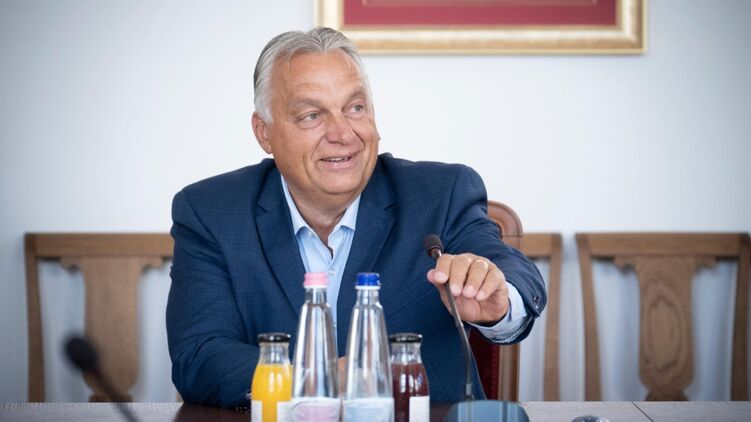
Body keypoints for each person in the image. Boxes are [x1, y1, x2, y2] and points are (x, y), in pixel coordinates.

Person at [166, 27, 546, 408]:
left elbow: (511, 270)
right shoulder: (212, 213)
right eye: (312, 115)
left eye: (355, 108)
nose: (343, 133)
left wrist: (499, 302)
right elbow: (199, 355)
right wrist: (314, 381)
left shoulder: (440, 195)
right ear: (264, 133)